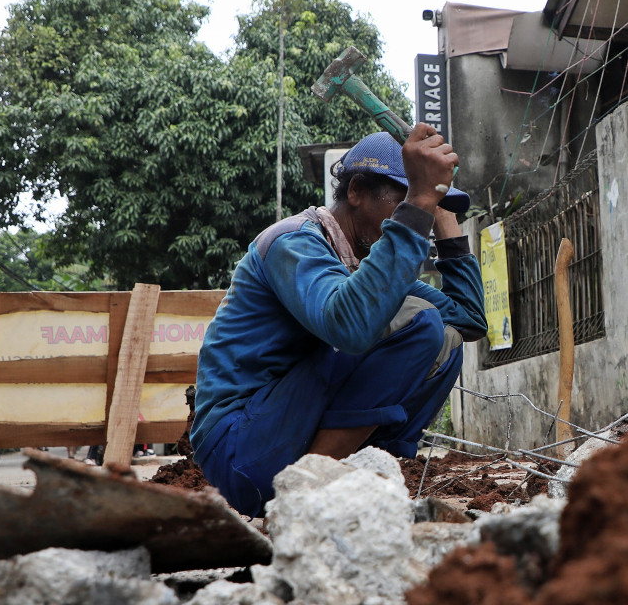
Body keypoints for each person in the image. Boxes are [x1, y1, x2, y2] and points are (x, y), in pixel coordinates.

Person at [192, 124, 486, 516]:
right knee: (419, 322)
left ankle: (359, 483)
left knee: (445, 341)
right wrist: (419, 199)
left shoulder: (365, 269)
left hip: (285, 434)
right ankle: (305, 496)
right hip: (240, 447)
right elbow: (349, 327)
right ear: (356, 191)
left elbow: (467, 320)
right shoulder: (293, 242)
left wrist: (439, 210)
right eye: (401, 201)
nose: (416, 215)